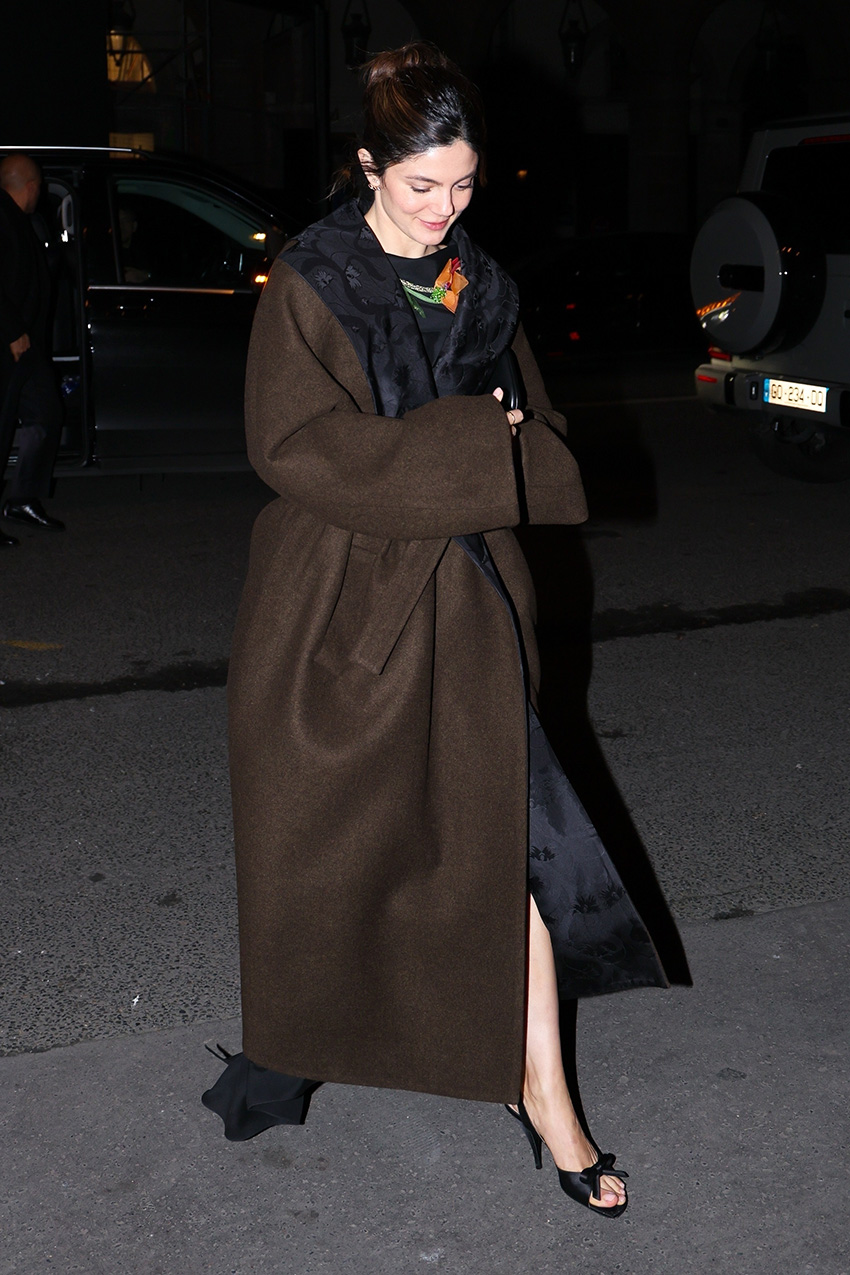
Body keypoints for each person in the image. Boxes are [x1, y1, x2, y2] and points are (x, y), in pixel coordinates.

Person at [203, 43, 669, 1216]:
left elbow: (530, 418)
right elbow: (294, 448)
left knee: (508, 843)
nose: (444, 209)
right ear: (367, 164)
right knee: (338, 850)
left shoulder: (480, 279)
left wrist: (503, 446)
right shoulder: (314, 280)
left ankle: (541, 1091)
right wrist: (476, 448)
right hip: (340, 603)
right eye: (423, 187)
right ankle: (298, 1039)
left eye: (463, 186)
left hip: (470, 597)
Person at [0, 153, 65, 547]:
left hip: (27, 347)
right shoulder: (1, 217)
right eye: (39, 186)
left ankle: (22, 498)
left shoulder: (20, 219)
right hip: (8, 344)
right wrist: (11, 330)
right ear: (31, 186)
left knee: (46, 413)